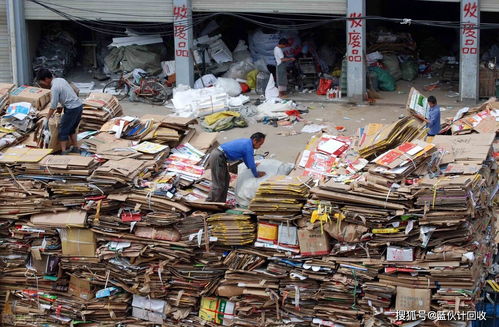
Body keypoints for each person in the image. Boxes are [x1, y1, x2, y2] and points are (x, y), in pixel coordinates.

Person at [206, 133, 267, 203]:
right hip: (218, 156)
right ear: (255, 141)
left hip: (220, 156)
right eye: (260, 144)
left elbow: (246, 158)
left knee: (226, 179)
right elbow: (250, 162)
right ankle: (209, 203)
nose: (260, 146)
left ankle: (220, 203)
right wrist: (256, 174)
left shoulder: (246, 142)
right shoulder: (248, 147)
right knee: (219, 183)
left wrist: (251, 165)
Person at [36, 69, 83, 154]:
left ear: (46, 79)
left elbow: (53, 106)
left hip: (71, 109)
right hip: (79, 106)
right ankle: (75, 147)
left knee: (63, 130)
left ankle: (64, 151)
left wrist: (47, 118)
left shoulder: (54, 88)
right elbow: (68, 94)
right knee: (72, 129)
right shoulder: (60, 80)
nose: (42, 84)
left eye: (42, 82)